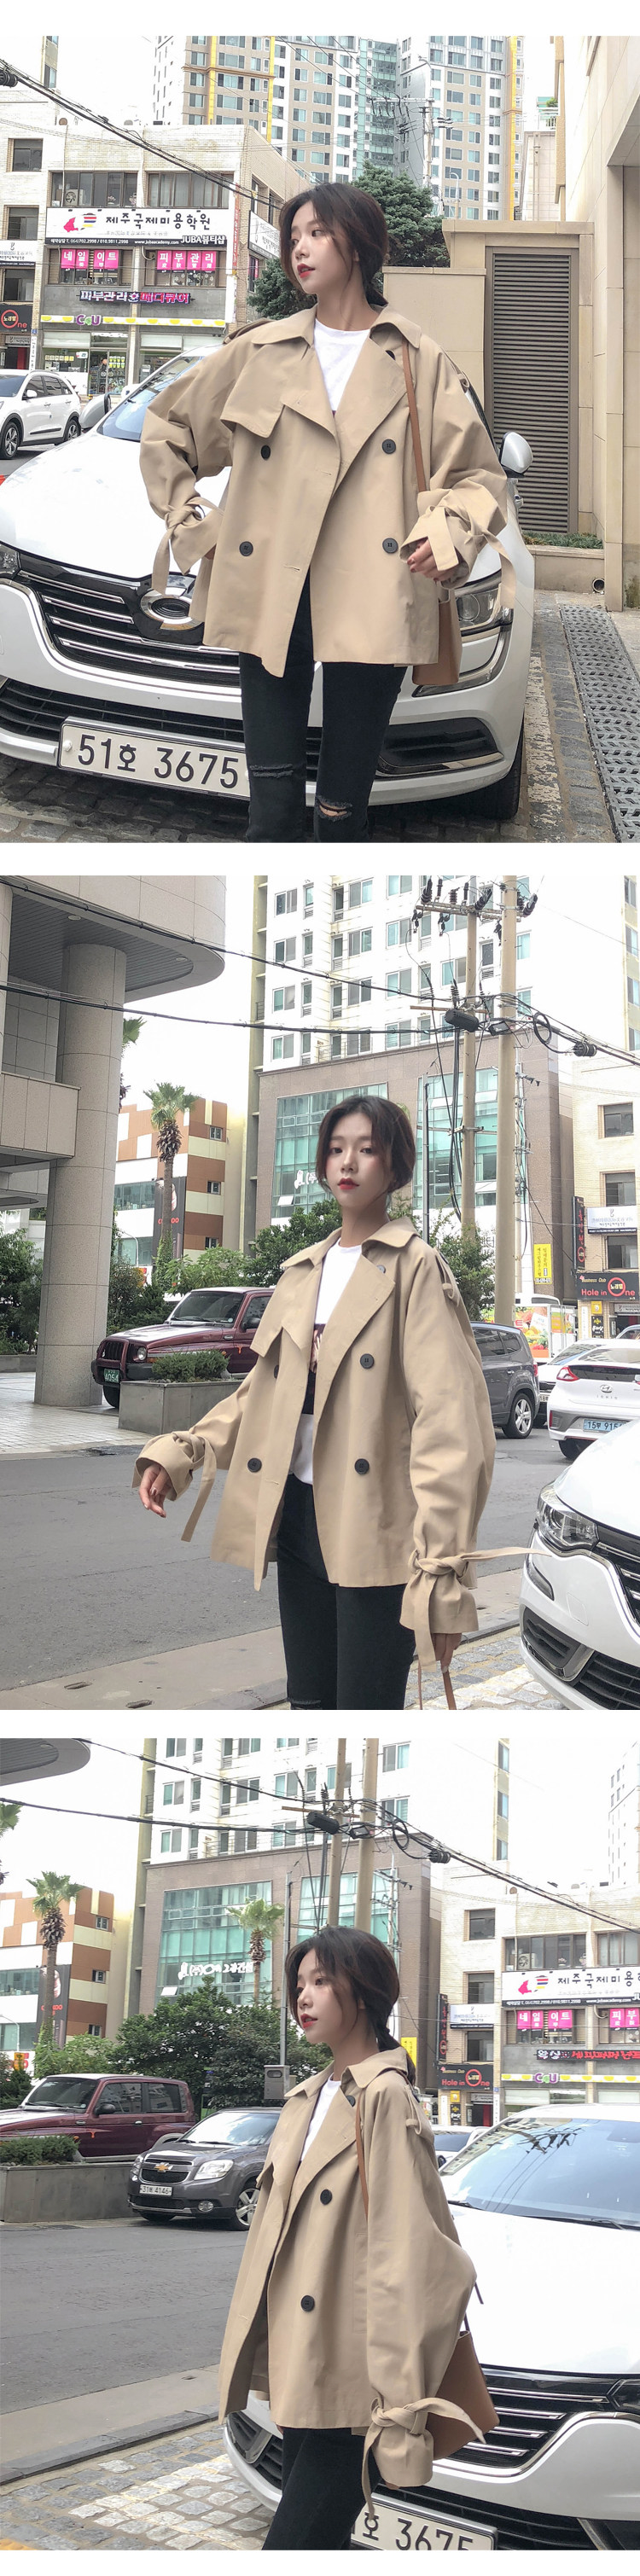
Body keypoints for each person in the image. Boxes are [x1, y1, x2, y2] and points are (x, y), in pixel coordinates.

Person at [139, 182, 509, 843]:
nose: (299, 249)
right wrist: (193, 521)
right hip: (270, 595)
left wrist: (450, 533)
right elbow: (168, 429)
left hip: (375, 596)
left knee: (342, 814)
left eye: (315, 233)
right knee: (271, 813)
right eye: (294, 237)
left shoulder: (416, 357)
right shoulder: (261, 350)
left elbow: (478, 475)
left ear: (358, 243)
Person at [134, 1095, 494, 1712]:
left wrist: (442, 1572)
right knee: (308, 1703)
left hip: (377, 1529)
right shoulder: (303, 1272)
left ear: (394, 1165)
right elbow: (262, 1394)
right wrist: (184, 1453)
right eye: (336, 1148)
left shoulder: (416, 1270)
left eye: (367, 1149)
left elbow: (450, 1427)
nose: (347, 1162)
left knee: (364, 1710)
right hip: (298, 1516)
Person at [217, 1926, 479, 2552]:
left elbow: (410, 2257)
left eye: (321, 1981)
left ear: (362, 1991)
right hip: (303, 2360)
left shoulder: (386, 2096)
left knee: (295, 2546)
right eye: (299, 1984)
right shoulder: (308, 2097)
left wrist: (398, 2398)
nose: (302, 1997)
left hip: (354, 2375)